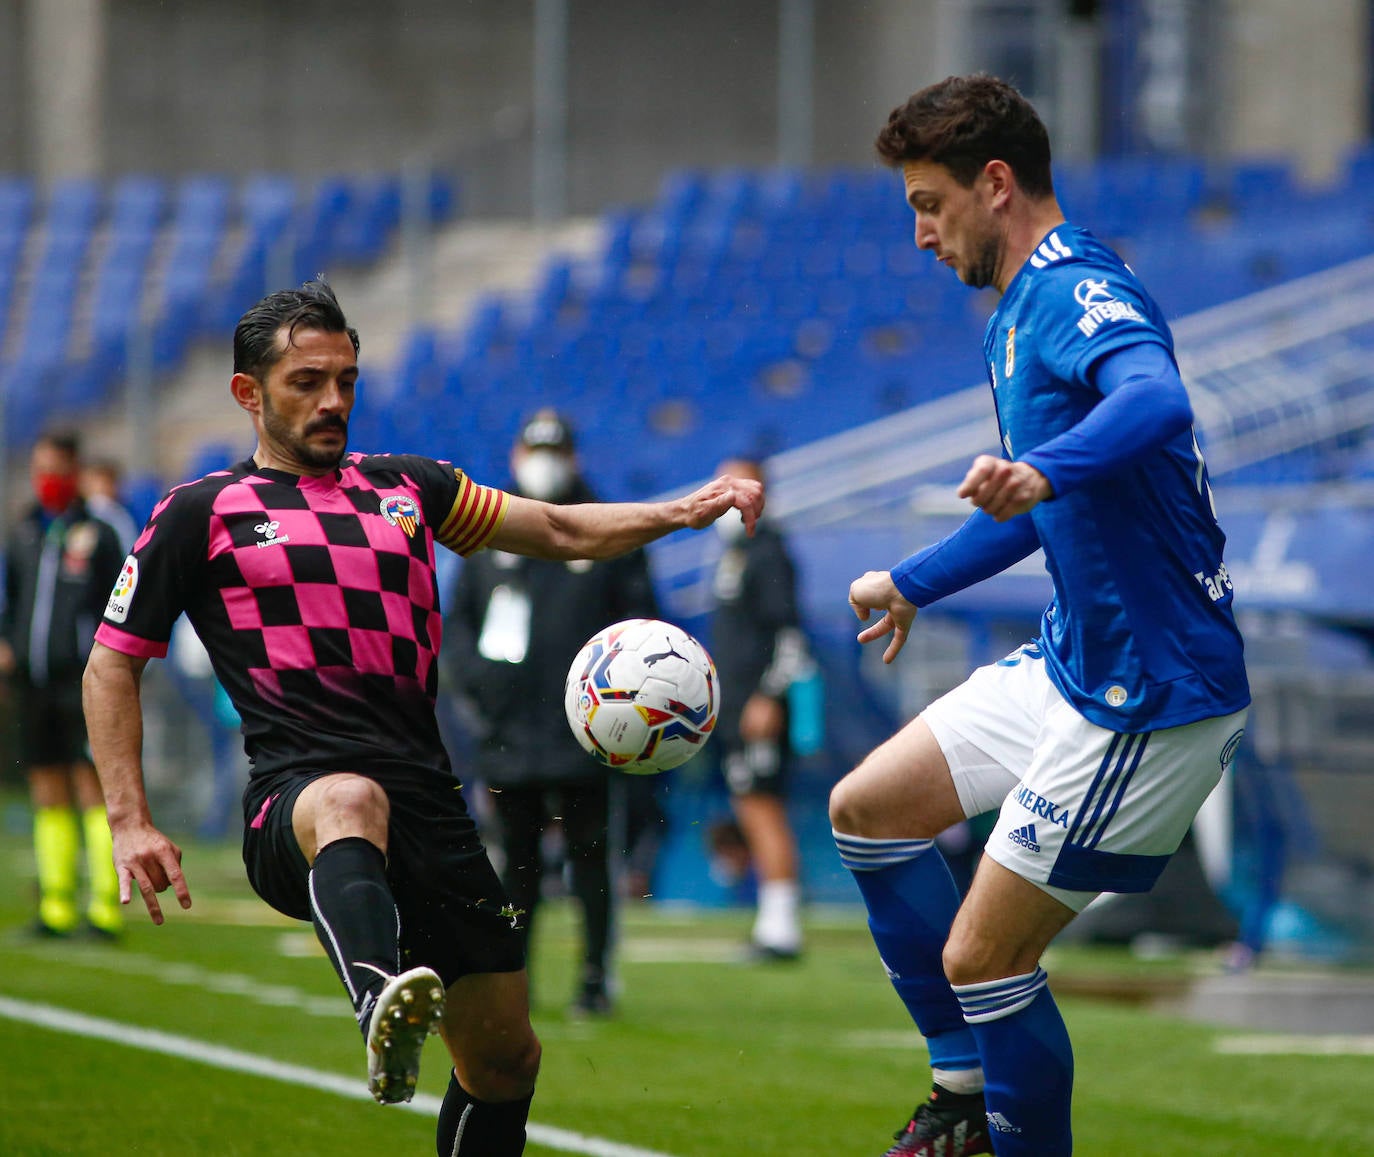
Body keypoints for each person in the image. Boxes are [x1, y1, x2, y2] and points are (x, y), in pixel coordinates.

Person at [81, 280, 763, 1157]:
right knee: (350, 800)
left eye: (347, 379)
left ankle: (402, 1016)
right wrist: (129, 818)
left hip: (431, 799)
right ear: (248, 394)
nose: (333, 401)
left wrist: (680, 510)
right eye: (307, 381)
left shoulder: (409, 490)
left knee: (506, 1059)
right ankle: (379, 1002)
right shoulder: (198, 513)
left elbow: (557, 528)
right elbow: (112, 661)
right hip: (296, 796)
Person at [828, 76, 1250, 1157]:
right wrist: (911, 579)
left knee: (984, 957)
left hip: (1151, 694)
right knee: (869, 808)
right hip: (1078, 661)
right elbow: (1033, 507)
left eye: (931, 203)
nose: (922, 234)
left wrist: (1045, 472)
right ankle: (964, 1096)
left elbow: (1157, 401)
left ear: (997, 184)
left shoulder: (1069, 287)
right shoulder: (1013, 310)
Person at [444, 408, 660, 1017]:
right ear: (516, 456)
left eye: (556, 450)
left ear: (575, 457)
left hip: (589, 729)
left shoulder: (606, 527)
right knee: (514, 862)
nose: (545, 462)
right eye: (536, 450)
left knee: (593, 855)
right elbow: (459, 622)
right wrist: (482, 687)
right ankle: (515, 979)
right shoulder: (492, 528)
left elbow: (642, 625)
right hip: (509, 730)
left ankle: (595, 977)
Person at [0, 430, 126, 940]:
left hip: (80, 681)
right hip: (32, 681)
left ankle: (104, 907)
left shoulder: (98, 533)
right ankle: (54, 906)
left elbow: (119, 605)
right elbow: (11, 602)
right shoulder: (26, 530)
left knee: (89, 784)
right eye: (39, 468)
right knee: (46, 786)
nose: (45, 479)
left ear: (74, 473)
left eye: (54, 469)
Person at [708, 456, 813, 960]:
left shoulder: (770, 552)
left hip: (759, 709)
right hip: (735, 709)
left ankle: (781, 929)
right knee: (751, 808)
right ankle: (773, 923)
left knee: (763, 809)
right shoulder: (736, 552)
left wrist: (769, 697)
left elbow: (791, 636)